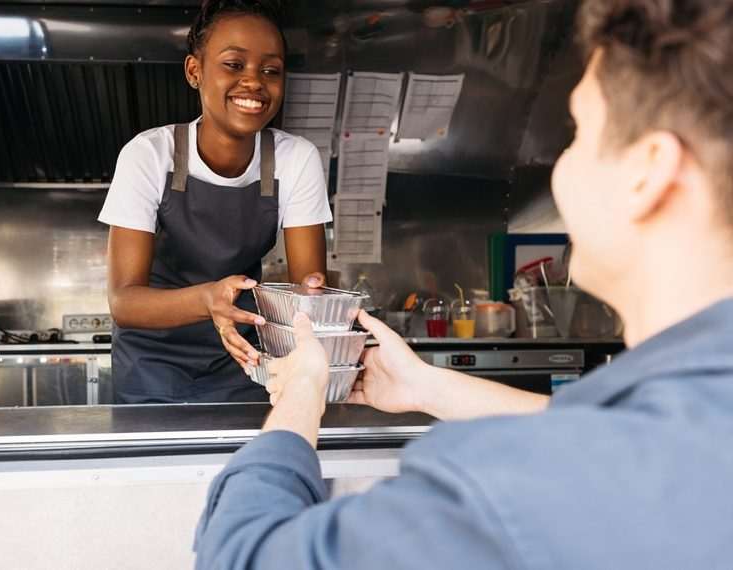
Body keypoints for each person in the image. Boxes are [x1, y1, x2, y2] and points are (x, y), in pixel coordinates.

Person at [194, 0, 733, 567]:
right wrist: (427, 387)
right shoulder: (690, 422)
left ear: (647, 173)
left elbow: (243, 557)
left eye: (578, 137)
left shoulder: (496, 494)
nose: (560, 168)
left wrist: (304, 389)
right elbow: (613, 444)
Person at [98, 0, 332, 404]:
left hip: (244, 363)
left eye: (271, 70)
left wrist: (314, 299)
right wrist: (208, 300)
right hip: (151, 367)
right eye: (234, 64)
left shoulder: (296, 159)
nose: (255, 82)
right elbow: (124, 301)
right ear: (195, 71)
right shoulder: (150, 155)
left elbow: (306, 293)